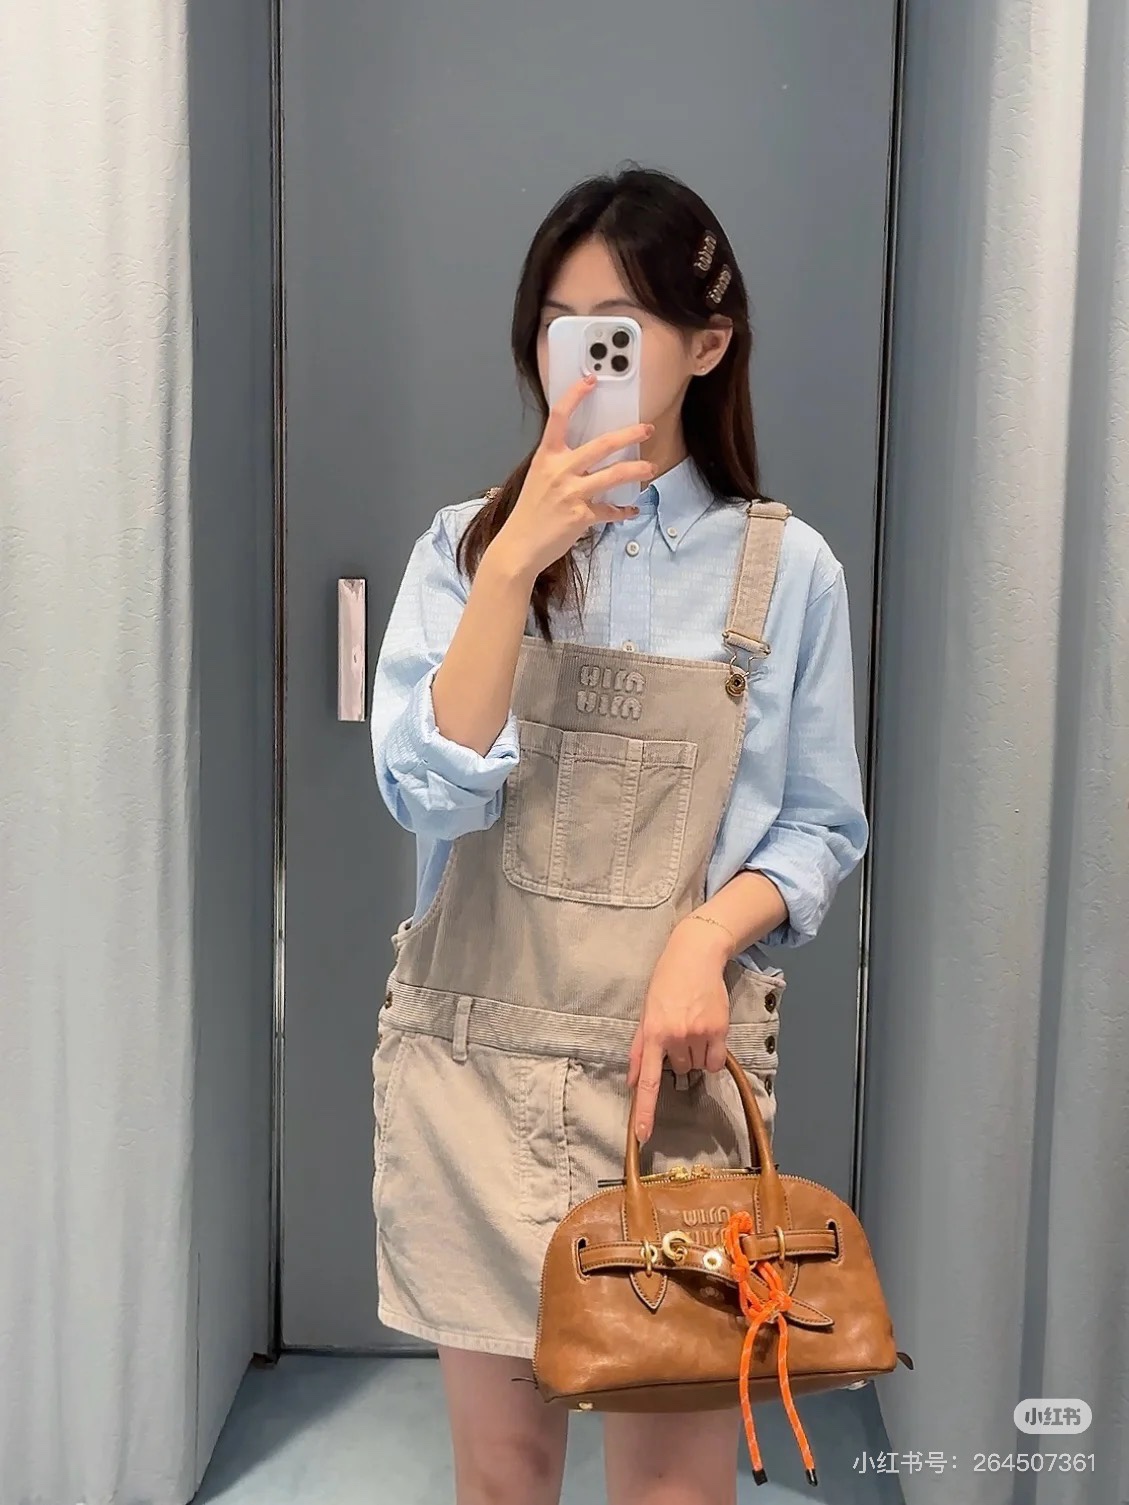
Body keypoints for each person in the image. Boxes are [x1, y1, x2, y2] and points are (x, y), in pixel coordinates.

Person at [368, 165, 868, 1505]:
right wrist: (512, 566)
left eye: (621, 325)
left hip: (676, 1084)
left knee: (676, 1489)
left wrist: (705, 937)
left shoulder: (787, 572)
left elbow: (821, 824)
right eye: (558, 323)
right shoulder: (462, 552)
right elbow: (425, 791)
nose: (579, 353)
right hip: (476, 1068)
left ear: (707, 346)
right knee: (502, 1478)